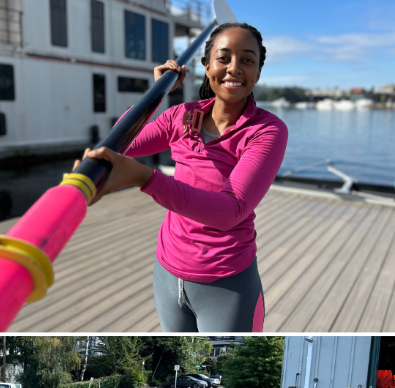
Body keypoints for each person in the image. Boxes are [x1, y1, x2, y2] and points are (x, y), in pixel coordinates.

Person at [76, 22, 287, 333]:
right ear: (206, 66)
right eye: (223, 58)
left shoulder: (266, 131)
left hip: (226, 282)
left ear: (257, 72)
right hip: (166, 272)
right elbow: (123, 143)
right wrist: (154, 94)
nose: (234, 68)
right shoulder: (181, 117)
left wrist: (145, 178)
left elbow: (230, 211)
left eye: (247, 60)